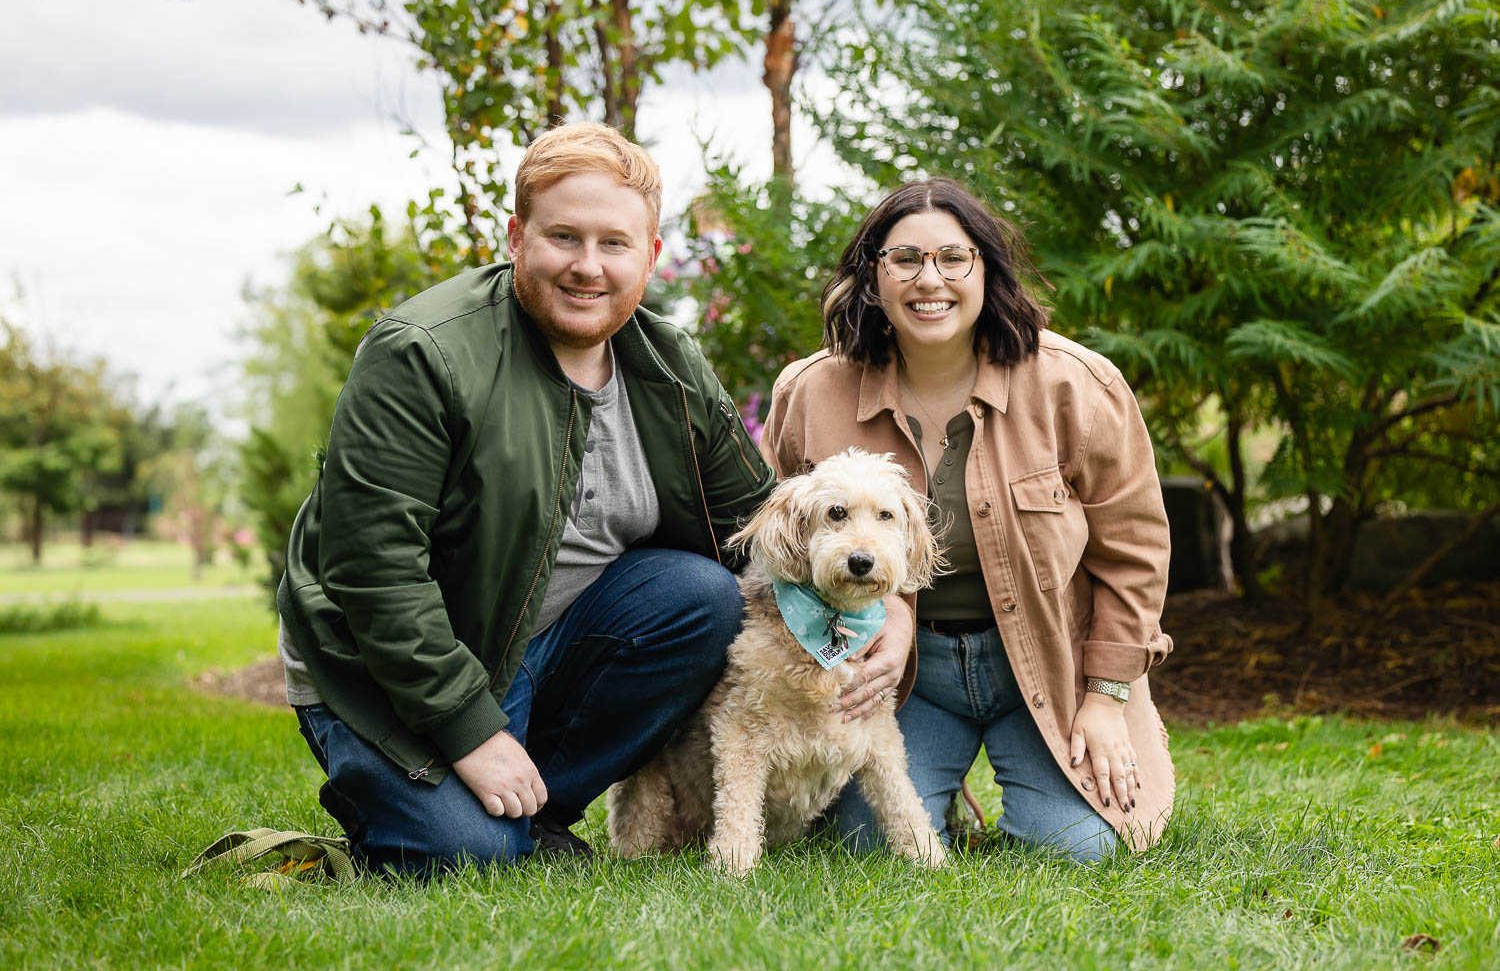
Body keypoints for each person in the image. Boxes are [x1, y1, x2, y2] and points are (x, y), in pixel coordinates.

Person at [275, 122, 778, 875]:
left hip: (549, 644)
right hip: (391, 666)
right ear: (516, 238)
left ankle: (531, 809)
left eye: (614, 243)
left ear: (651, 255)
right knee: (466, 857)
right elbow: (372, 571)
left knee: (701, 594)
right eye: (563, 238)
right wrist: (470, 729)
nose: (587, 266)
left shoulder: (671, 366)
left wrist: (883, 619)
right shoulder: (422, 352)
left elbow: (758, 529)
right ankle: (441, 804)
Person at [759, 178, 1175, 861]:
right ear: (874, 274)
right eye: (905, 259)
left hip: (1050, 664)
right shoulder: (810, 393)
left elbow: (1135, 552)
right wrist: (885, 609)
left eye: (954, 258)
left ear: (987, 267)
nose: (931, 280)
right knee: (870, 849)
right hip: (905, 677)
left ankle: (1091, 748)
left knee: (1081, 850)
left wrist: (1106, 695)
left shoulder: (1077, 384)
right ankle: (935, 782)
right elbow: (784, 551)